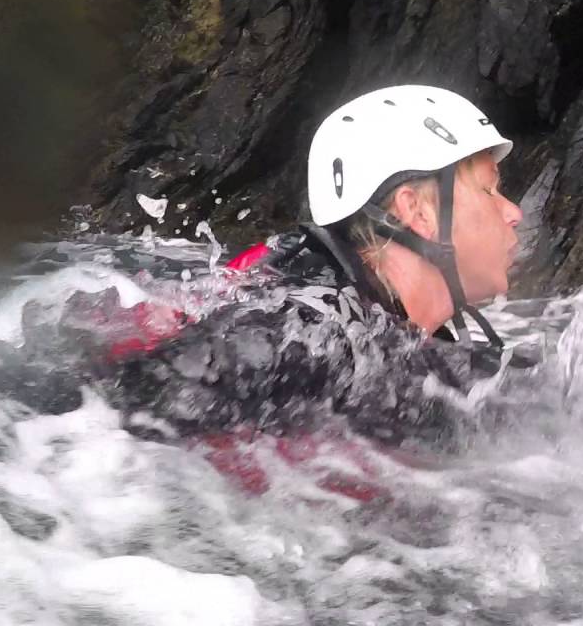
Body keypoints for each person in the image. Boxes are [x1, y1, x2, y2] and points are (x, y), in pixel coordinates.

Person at [107, 84, 528, 453]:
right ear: (415, 211)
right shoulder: (313, 326)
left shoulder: (391, 337)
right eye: (489, 189)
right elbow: (130, 406)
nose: (514, 213)